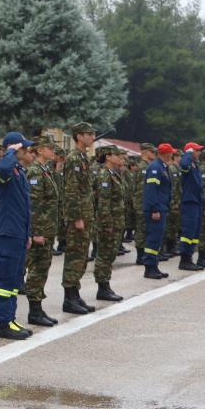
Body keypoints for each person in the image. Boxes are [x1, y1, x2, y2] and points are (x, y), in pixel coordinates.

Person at [0, 132, 37, 340]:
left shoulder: (18, 171)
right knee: (5, 280)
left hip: (18, 232)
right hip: (8, 232)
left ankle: (10, 319)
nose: (27, 152)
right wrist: (10, 151)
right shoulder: (4, 170)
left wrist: (27, 234)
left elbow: (24, 208)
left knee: (15, 280)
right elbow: (1, 168)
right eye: (23, 148)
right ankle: (2, 324)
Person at [22, 136, 60, 327]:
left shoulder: (46, 170)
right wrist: (35, 231)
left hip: (47, 229)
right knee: (36, 269)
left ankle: (38, 308)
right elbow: (33, 205)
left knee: (42, 269)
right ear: (40, 150)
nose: (53, 151)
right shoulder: (35, 172)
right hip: (40, 231)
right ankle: (34, 311)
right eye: (50, 148)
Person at [61, 123, 97, 314]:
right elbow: (71, 190)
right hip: (79, 216)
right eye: (88, 134)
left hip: (86, 214)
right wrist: (76, 217)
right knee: (75, 256)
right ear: (78, 136)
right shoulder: (74, 159)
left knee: (82, 256)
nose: (92, 137)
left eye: (93, 134)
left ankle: (75, 294)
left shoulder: (84, 158)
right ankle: (69, 298)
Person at [92, 146, 126, 302]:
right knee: (105, 254)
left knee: (110, 253)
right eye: (118, 155)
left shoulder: (114, 173)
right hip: (108, 221)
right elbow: (103, 202)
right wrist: (107, 223)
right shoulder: (104, 175)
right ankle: (102, 287)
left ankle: (106, 285)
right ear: (108, 157)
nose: (121, 158)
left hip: (116, 220)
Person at [141, 144, 173, 280]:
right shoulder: (155, 167)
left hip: (161, 207)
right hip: (156, 208)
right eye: (170, 153)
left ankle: (154, 266)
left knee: (157, 239)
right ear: (166, 153)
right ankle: (149, 268)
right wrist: (154, 209)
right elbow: (151, 190)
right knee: (153, 239)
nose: (172, 156)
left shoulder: (162, 166)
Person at [178, 142, 205, 271]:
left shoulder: (195, 165)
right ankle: (184, 260)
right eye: (197, 150)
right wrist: (188, 153)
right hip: (189, 201)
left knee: (195, 231)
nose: (199, 152)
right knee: (188, 231)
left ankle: (190, 258)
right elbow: (183, 165)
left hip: (197, 201)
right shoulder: (187, 162)